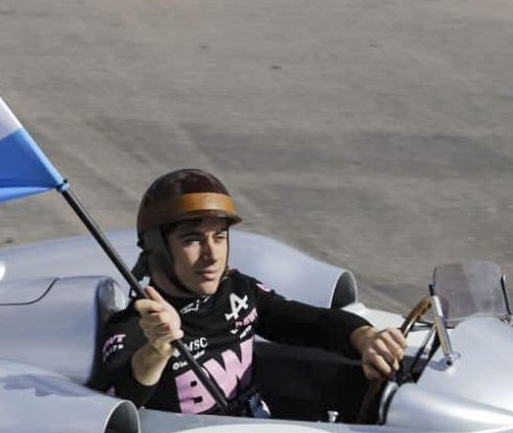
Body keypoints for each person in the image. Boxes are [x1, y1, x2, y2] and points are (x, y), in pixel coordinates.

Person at [96, 168, 407, 419]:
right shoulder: (138, 323)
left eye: (219, 237)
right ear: (159, 251)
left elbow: (308, 322)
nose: (212, 255)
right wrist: (159, 348)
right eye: (192, 240)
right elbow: (124, 393)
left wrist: (365, 338)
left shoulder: (238, 292)